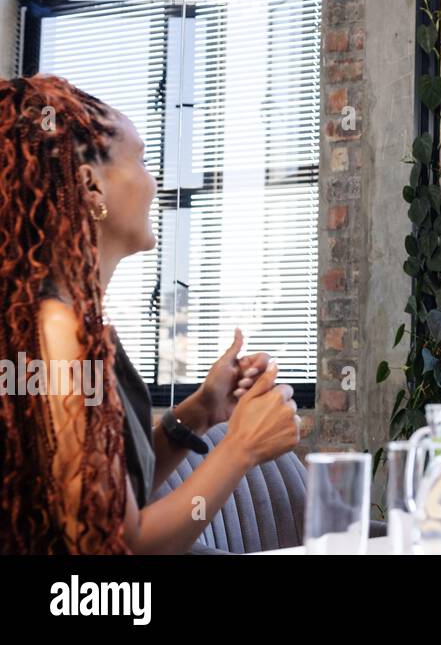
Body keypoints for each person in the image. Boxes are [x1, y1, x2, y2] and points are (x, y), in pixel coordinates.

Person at [0, 73, 301, 554]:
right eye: (139, 159)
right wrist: (241, 448)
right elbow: (123, 544)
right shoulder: (53, 333)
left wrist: (200, 412)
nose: (154, 179)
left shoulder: (72, 325)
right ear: (90, 187)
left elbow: (115, 498)